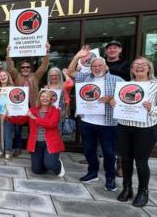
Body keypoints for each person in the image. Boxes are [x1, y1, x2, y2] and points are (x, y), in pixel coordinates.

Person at [67, 46, 124, 192]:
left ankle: (110, 177)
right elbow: (70, 72)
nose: (97, 68)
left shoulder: (117, 80)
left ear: (105, 66)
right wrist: (77, 56)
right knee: (89, 149)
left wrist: (112, 99)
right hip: (88, 121)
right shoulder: (85, 78)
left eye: (100, 65)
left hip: (108, 123)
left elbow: (124, 99)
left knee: (109, 152)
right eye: (94, 66)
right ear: (90, 68)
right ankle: (92, 173)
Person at [110, 57, 157, 207]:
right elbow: (120, 105)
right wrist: (114, 103)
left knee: (141, 162)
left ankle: (143, 191)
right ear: (132, 70)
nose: (139, 67)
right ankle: (127, 188)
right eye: (135, 65)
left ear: (149, 68)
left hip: (145, 128)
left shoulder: (155, 85)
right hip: (124, 126)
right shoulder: (124, 85)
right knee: (126, 160)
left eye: (143, 64)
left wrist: (152, 108)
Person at [6, 43, 51, 156]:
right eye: (23, 67)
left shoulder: (35, 76)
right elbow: (10, 67)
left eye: (27, 67)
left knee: (33, 128)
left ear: (31, 68)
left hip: (33, 106)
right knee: (17, 128)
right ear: (20, 69)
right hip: (19, 106)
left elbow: (44, 66)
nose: (25, 68)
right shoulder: (17, 76)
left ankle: (32, 147)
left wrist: (47, 52)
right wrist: (8, 53)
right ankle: (17, 148)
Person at [8, 91, 65, 176]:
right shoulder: (32, 110)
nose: (44, 98)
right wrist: (9, 116)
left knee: (50, 164)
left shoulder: (55, 111)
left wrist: (34, 118)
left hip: (50, 143)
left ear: (51, 99)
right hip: (36, 143)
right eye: (42, 96)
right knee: (37, 170)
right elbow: (21, 120)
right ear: (39, 98)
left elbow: (51, 124)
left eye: (47, 97)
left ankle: (58, 166)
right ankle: (47, 161)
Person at [104, 40, 130, 178]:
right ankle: (97, 157)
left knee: (118, 137)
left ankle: (119, 164)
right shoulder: (100, 63)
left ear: (120, 50)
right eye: (109, 48)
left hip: (120, 104)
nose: (112, 50)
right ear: (106, 51)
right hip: (102, 103)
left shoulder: (126, 65)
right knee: (101, 133)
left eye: (115, 48)